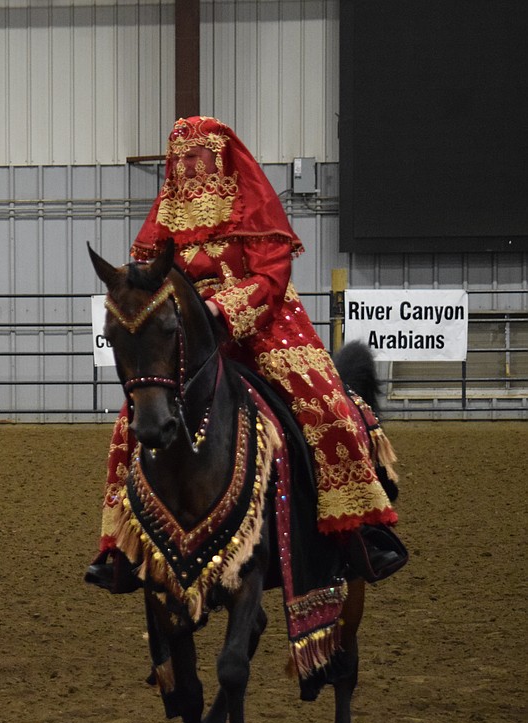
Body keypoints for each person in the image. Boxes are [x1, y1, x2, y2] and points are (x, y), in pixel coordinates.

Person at [92, 115, 403, 586]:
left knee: (324, 408)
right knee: (130, 423)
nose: (187, 167)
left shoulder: (250, 206)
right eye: (179, 158)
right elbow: (154, 282)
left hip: (262, 326)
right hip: (192, 337)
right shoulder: (167, 217)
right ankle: (123, 546)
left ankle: (358, 532)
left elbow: (272, 276)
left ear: (219, 158)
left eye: (196, 156)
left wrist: (223, 307)